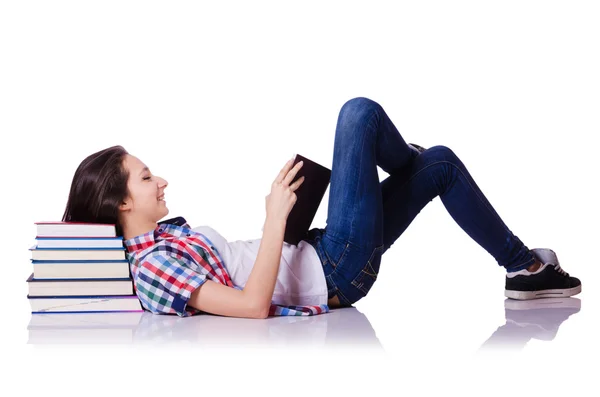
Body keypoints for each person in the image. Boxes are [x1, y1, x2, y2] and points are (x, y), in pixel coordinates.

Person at [62, 96, 581, 318]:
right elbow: (249, 307)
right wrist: (273, 218)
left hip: (319, 247)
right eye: (148, 177)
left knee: (441, 164)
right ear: (121, 200)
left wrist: (288, 224)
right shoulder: (151, 265)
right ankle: (404, 161)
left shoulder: (161, 240)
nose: (162, 181)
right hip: (336, 272)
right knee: (358, 115)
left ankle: (525, 268)